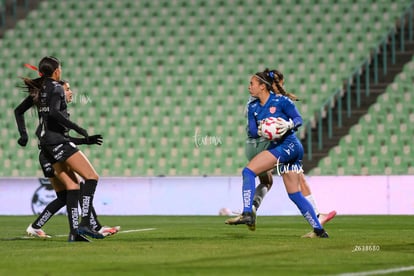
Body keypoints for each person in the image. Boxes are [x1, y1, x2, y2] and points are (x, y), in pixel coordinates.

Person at [226, 69, 336, 235]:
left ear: (263, 86)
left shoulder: (282, 101)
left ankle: (248, 213)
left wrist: (289, 125)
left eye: (252, 84)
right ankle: (319, 231)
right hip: (287, 148)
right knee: (295, 194)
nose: (249, 87)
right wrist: (264, 130)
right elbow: (254, 131)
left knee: (248, 172)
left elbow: (298, 119)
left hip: (287, 145)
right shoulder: (252, 107)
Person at [15, 76, 120, 241]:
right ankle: (89, 225)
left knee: (69, 192)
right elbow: (51, 137)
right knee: (82, 183)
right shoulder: (53, 112)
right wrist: (80, 133)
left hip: (50, 152)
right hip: (49, 155)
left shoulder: (56, 112)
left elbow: (63, 138)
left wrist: (85, 141)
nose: (70, 92)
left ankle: (70, 231)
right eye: (67, 89)